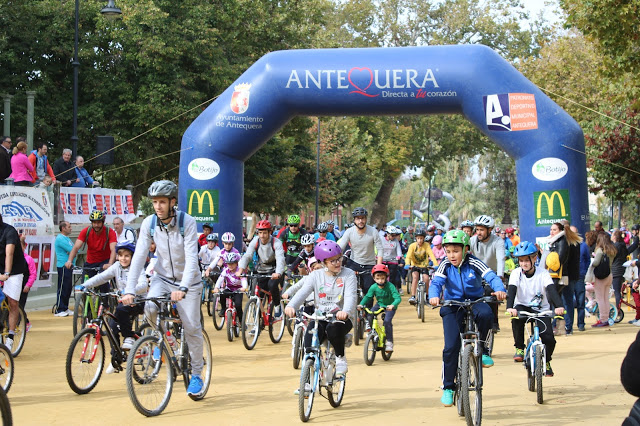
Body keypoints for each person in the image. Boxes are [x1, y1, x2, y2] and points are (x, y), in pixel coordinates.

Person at [120, 180, 205, 397]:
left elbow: (192, 258)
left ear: (172, 202)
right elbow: (139, 256)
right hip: (163, 278)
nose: (158, 206)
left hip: (189, 281)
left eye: (162, 202)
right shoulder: (149, 223)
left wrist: (183, 287)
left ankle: (197, 375)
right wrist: (129, 290)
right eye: (155, 202)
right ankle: (165, 341)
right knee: (149, 308)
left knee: (192, 327)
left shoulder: (187, 222)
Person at [429, 230, 506, 406]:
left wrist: (499, 289)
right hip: (453, 305)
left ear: (465, 250)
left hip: (475, 301)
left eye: (456, 251)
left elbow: (491, 276)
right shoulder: (445, 265)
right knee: (450, 347)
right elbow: (436, 283)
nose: (451, 255)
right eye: (448, 251)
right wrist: (433, 295)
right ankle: (448, 387)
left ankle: (483, 350)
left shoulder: (474, 262)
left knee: (487, 314)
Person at [285, 240, 357, 375]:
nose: (338, 263)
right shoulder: (315, 275)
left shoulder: (348, 274)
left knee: (333, 329)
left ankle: (340, 357)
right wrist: (291, 306)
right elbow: (302, 293)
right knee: (309, 340)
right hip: (320, 316)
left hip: (341, 317)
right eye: (333, 261)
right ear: (323, 262)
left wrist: (345, 311)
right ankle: (308, 377)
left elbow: (350, 296)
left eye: (339, 258)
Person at [76, 243, 148, 367]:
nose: (123, 259)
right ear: (117, 257)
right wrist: (84, 285)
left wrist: (130, 291)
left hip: (138, 301)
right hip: (122, 301)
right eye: (121, 256)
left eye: (127, 256)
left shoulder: (137, 267)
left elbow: (143, 285)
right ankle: (116, 357)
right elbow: (102, 277)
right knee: (112, 326)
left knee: (120, 309)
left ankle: (129, 336)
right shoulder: (116, 266)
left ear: (132, 257)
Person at [506, 241, 565, 376]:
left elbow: (551, 290)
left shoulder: (543, 273)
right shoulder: (516, 273)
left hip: (541, 308)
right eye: (521, 261)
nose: (523, 264)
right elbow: (512, 291)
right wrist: (510, 307)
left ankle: (547, 361)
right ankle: (519, 348)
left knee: (549, 339)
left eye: (526, 260)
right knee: (516, 318)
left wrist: (559, 306)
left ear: (534, 258)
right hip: (522, 306)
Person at [337, 207, 384, 310]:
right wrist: (334, 258)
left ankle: (368, 315)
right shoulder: (349, 232)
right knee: (347, 288)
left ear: (366, 219)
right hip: (353, 263)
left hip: (369, 264)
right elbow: (340, 247)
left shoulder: (373, 231)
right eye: (358, 218)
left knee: (369, 291)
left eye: (362, 218)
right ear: (354, 220)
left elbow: (380, 249)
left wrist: (379, 266)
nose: (360, 221)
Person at [237, 219, 286, 316]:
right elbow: (247, 255)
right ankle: (258, 320)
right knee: (258, 292)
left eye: (264, 233)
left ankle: (277, 305)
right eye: (260, 233)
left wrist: (278, 273)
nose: (262, 236)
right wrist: (241, 270)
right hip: (261, 269)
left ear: (269, 232)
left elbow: (280, 259)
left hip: (274, 270)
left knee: (272, 285)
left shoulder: (276, 242)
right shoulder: (255, 241)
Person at [469, 215, 505, 332]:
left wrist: (499, 276)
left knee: (490, 292)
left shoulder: (498, 241)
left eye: (482, 230)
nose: (478, 232)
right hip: (477, 272)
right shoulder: (472, 240)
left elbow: (501, 259)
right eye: (477, 229)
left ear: (490, 230)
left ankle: (494, 321)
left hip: (492, 273)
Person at [0, 213, 29, 351]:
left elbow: (9, 254)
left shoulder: (9, 231)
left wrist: (6, 273)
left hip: (14, 270)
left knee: (13, 302)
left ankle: (10, 337)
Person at [65, 210, 117, 285]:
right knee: (85, 285)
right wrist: (69, 261)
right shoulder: (86, 231)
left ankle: (105, 292)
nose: (96, 225)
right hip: (91, 262)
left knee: (103, 285)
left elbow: (113, 249)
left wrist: (110, 263)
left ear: (103, 222)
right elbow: (76, 247)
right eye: (94, 222)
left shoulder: (109, 232)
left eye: (98, 222)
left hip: (105, 262)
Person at [358, 264, 401, 352]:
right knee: (370, 314)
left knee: (387, 321)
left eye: (382, 278)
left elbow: (397, 298)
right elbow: (368, 296)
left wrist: (393, 305)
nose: (380, 281)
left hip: (390, 306)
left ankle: (389, 342)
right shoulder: (373, 287)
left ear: (386, 278)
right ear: (374, 278)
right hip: (380, 304)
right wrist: (361, 304)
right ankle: (373, 332)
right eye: (377, 278)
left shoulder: (390, 286)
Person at [561, 223, 584, 335]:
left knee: (566, 301)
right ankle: (570, 326)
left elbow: (564, 260)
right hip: (574, 275)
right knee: (570, 301)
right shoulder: (576, 242)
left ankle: (568, 326)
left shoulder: (566, 242)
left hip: (567, 275)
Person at [406, 228, 439, 305]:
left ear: (424, 238)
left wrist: (436, 264)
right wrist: (407, 264)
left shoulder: (426, 245)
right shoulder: (412, 246)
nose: (420, 240)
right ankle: (413, 296)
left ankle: (427, 296)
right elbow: (408, 256)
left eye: (421, 238)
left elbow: (431, 254)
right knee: (415, 277)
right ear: (416, 238)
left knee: (426, 279)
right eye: (418, 238)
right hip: (415, 265)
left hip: (424, 266)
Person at [591, 232, 617, 328]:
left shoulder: (600, 250)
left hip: (600, 276)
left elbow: (596, 262)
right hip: (609, 275)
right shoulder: (612, 250)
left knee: (600, 298)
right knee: (605, 298)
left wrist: (592, 260)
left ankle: (602, 319)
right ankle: (606, 318)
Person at [213, 252, 248, 320]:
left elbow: (244, 280)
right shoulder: (226, 271)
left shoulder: (239, 271)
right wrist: (216, 287)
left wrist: (244, 287)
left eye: (232, 264)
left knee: (238, 305)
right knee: (222, 294)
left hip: (238, 290)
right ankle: (223, 309)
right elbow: (220, 279)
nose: (230, 265)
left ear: (236, 263)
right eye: (228, 264)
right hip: (229, 289)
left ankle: (241, 321)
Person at [54, 221, 75, 316]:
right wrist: (71, 251)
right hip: (63, 265)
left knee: (68, 288)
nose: (71, 228)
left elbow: (76, 250)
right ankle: (59, 309)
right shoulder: (60, 238)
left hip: (70, 265)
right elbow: (72, 249)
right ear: (63, 228)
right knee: (62, 287)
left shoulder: (67, 238)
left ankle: (65, 307)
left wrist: (72, 251)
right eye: (69, 227)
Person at [19, 235, 36, 331]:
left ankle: (25, 323)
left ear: (25, 246)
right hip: (14, 285)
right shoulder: (11, 258)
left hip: (24, 287)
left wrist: (28, 285)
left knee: (20, 306)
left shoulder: (29, 259)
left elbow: (33, 274)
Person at [381, 226, 403, 292]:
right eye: (392, 235)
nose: (394, 237)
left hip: (393, 260)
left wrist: (399, 256)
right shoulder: (381, 240)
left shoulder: (396, 241)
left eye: (395, 235)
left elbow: (399, 250)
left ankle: (391, 289)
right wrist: (377, 256)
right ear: (387, 234)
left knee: (392, 276)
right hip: (383, 260)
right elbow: (378, 248)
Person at [612, 230, 629, 311]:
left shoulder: (615, 246)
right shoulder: (623, 246)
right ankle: (618, 308)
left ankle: (618, 309)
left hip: (616, 270)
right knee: (618, 290)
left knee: (616, 291)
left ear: (615, 237)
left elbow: (612, 257)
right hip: (622, 270)